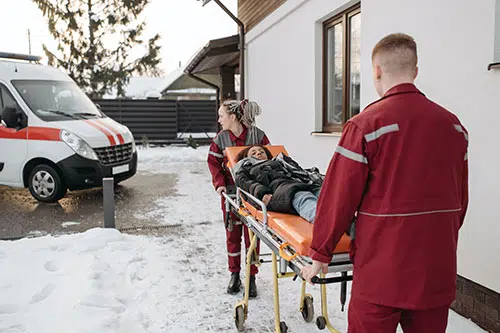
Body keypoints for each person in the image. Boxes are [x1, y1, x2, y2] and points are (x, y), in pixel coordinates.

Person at [300, 33, 469, 333]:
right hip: (435, 272)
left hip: (381, 276)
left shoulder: (366, 125)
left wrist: (320, 253)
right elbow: (460, 202)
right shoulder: (454, 127)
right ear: (415, 71)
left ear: (376, 70)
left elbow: (339, 196)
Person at [207, 99, 270, 297]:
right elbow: (213, 163)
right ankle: (234, 274)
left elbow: (270, 159)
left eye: (221, 116)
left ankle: (252, 277)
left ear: (233, 117)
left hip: (253, 193)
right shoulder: (220, 139)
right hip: (231, 194)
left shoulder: (258, 135)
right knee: (232, 234)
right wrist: (220, 184)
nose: (219, 120)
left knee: (252, 237)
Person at [233, 144, 324, 223]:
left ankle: (336, 220)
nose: (259, 153)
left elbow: (300, 172)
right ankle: (325, 223)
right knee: (303, 197)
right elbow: (244, 183)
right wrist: (261, 192)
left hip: (302, 184)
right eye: (253, 153)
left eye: (262, 151)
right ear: (246, 158)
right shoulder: (246, 169)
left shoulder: (280, 161)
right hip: (280, 190)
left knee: (326, 194)